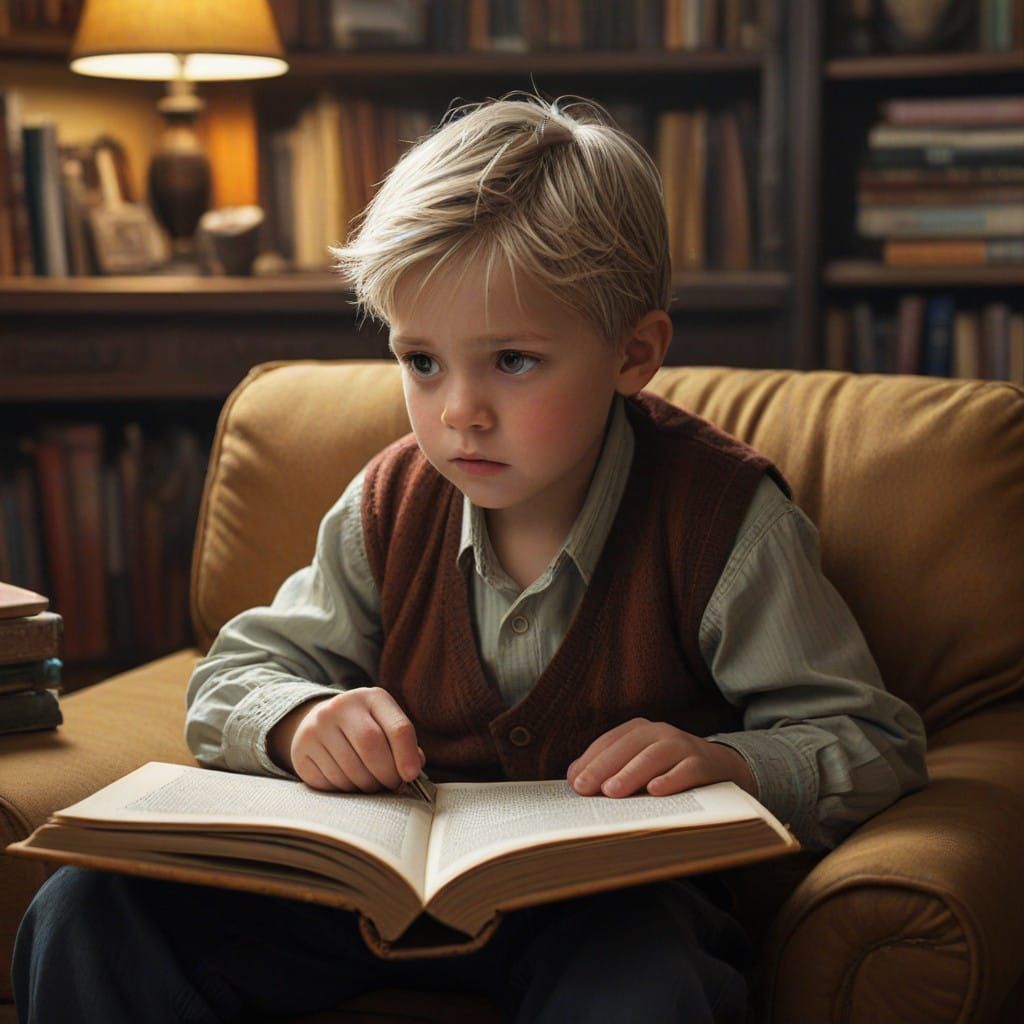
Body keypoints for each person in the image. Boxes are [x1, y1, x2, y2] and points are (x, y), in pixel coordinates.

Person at [12, 91, 928, 1024]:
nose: (459, 413)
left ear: (634, 353)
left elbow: (872, 739)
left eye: (513, 360)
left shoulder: (722, 521)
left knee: (647, 982)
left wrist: (730, 764)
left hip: (607, 910)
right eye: (422, 361)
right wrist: (299, 720)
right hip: (372, 895)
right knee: (89, 912)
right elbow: (232, 675)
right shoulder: (387, 502)